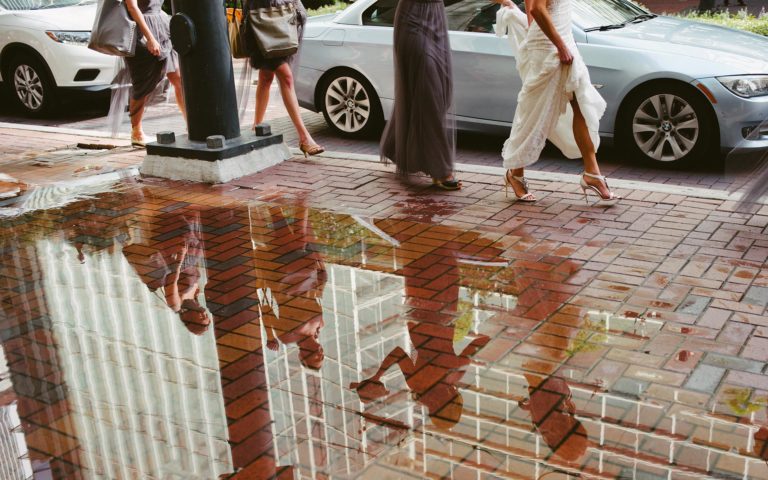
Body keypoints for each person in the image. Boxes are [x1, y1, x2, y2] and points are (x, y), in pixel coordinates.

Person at [494, 0, 620, 205]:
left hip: (562, 40)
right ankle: (515, 172)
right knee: (536, 113)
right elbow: (536, 8)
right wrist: (559, 46)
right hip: (550, 47)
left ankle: (592, 173)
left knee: (580, 104)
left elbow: (531, 8)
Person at [379, 0, 461, 190]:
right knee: (428, 91)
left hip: (436, 17)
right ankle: (440, 168)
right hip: (412, 18)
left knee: (440, 92)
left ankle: (394, 146)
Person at [246, 0, 324, 158]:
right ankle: (304, 137)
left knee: (266, 77)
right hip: (262, 18)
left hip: (285, 15)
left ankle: (256, 126)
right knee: (286, 76)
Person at [121, 0, 185, 147]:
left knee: (178, 78)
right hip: (141, 33)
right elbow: (132, 7)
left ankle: (190, 123)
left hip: (161, 28)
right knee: (142, 85)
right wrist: (150, 38)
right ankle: (136, 132)